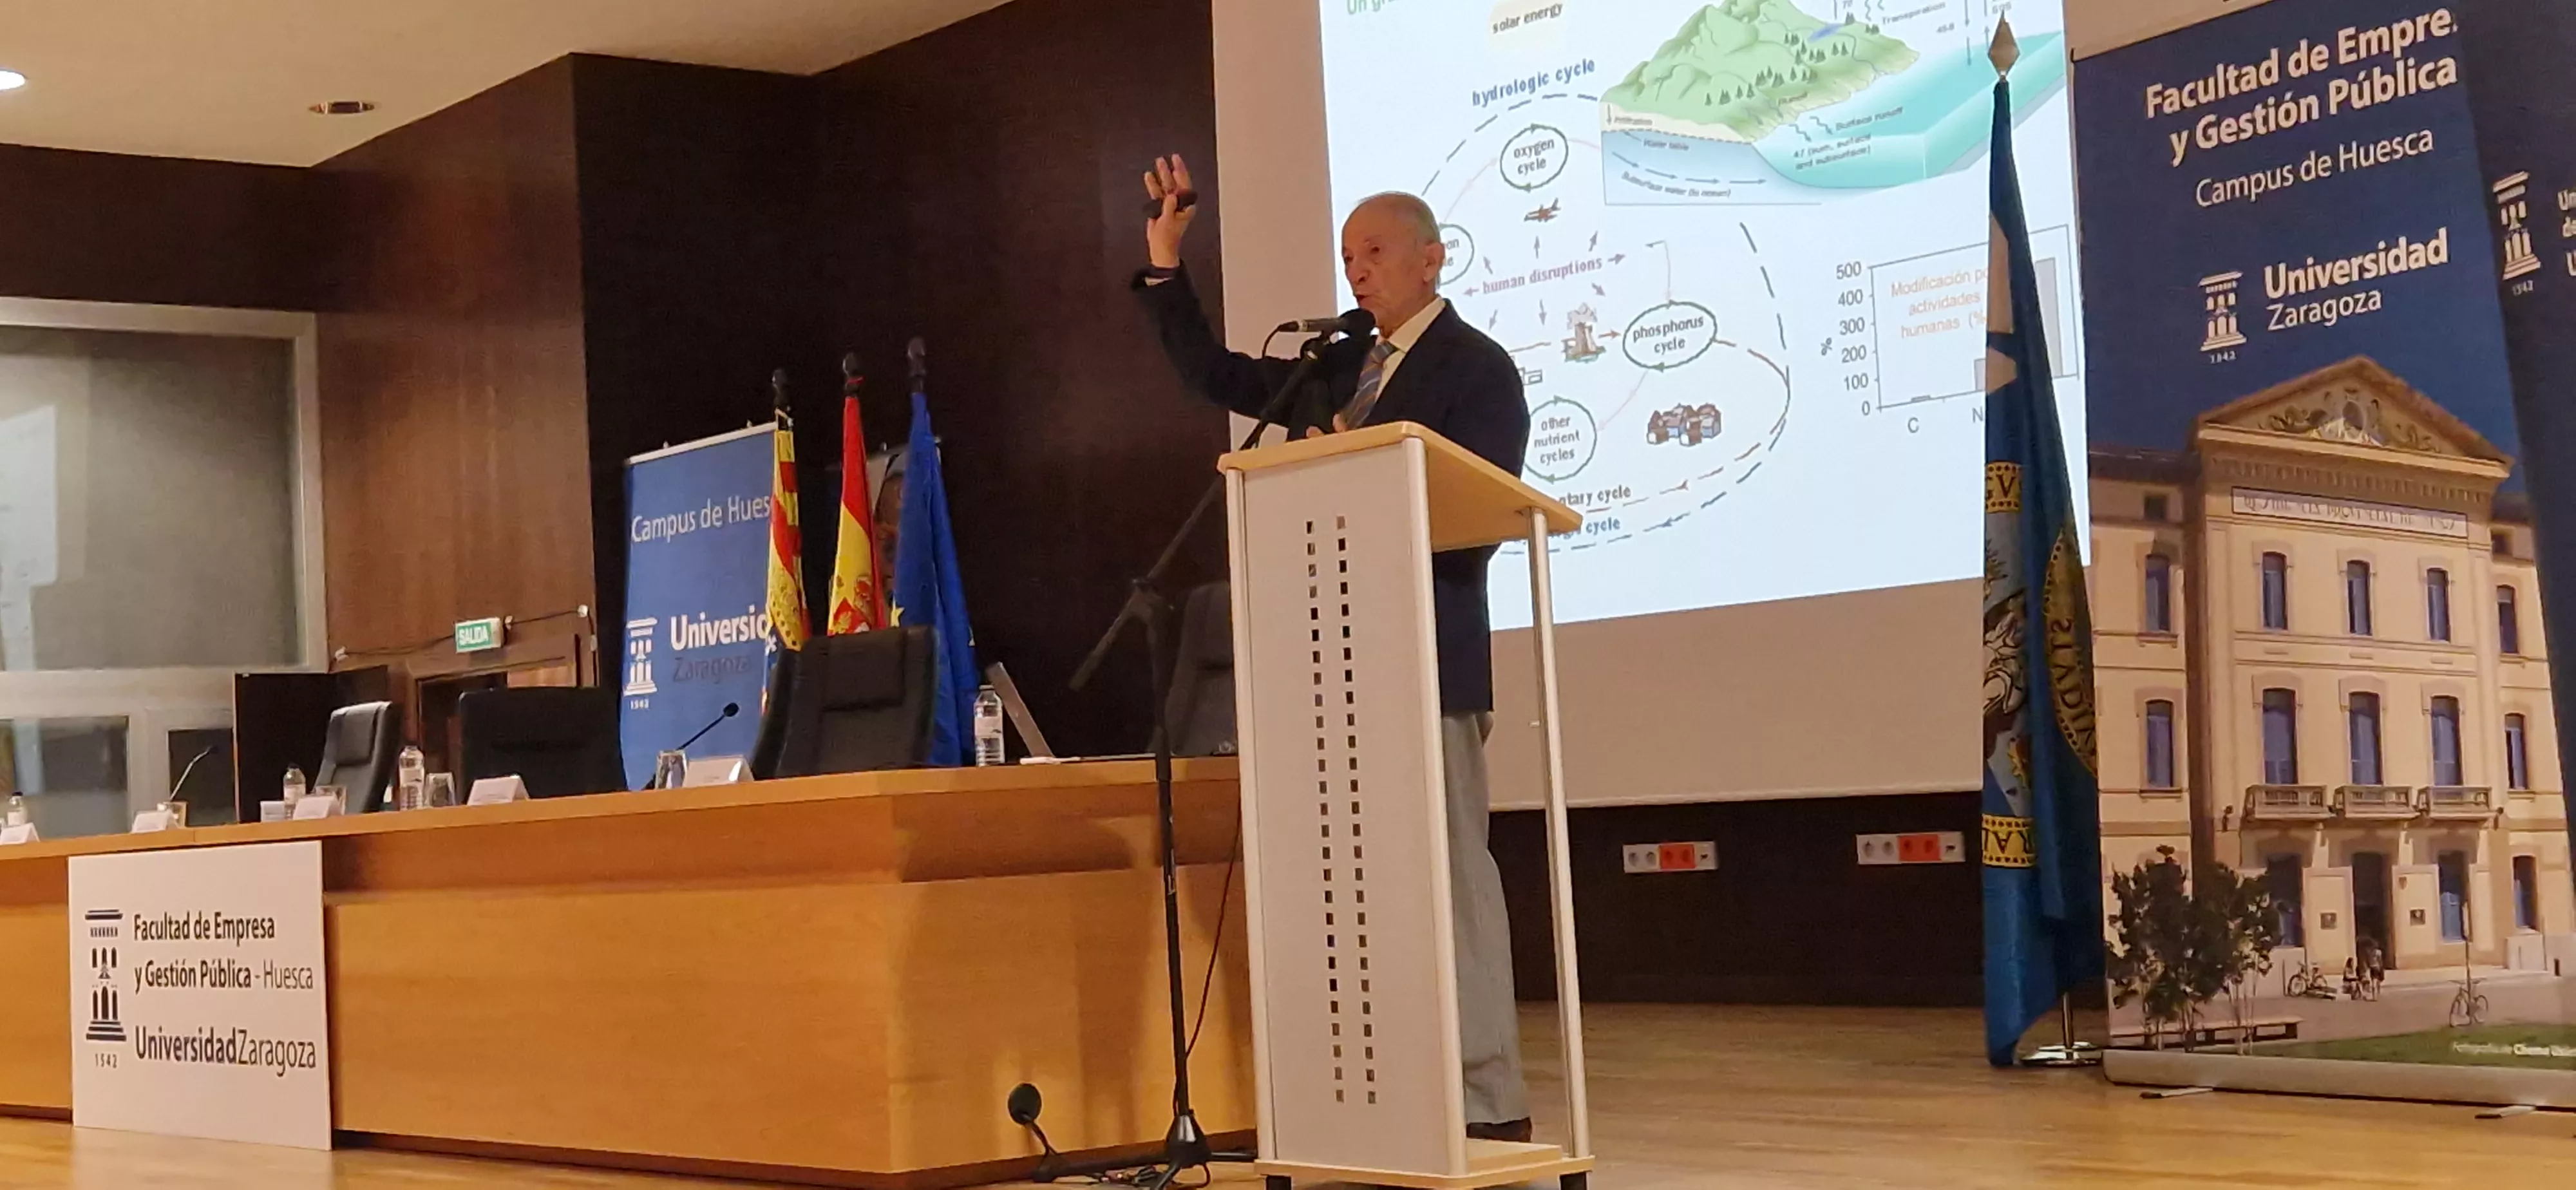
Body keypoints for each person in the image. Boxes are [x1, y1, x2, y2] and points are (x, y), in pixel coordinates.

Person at [1130, 154, 1534, 1142]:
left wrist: (1362, 467)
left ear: (1433, 259)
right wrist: (1166, 264)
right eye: (1350, 256)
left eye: (1377, 252)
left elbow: (1476, 516)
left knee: (1450, 878)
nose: (1359, 271)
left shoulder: (1476, 368)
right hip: (1340, 665)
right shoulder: (1341, 369)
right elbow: (1218, 376)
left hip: (1429, 660)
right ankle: (1386, 1089)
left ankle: (1489, 1102)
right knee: (1362, 890)